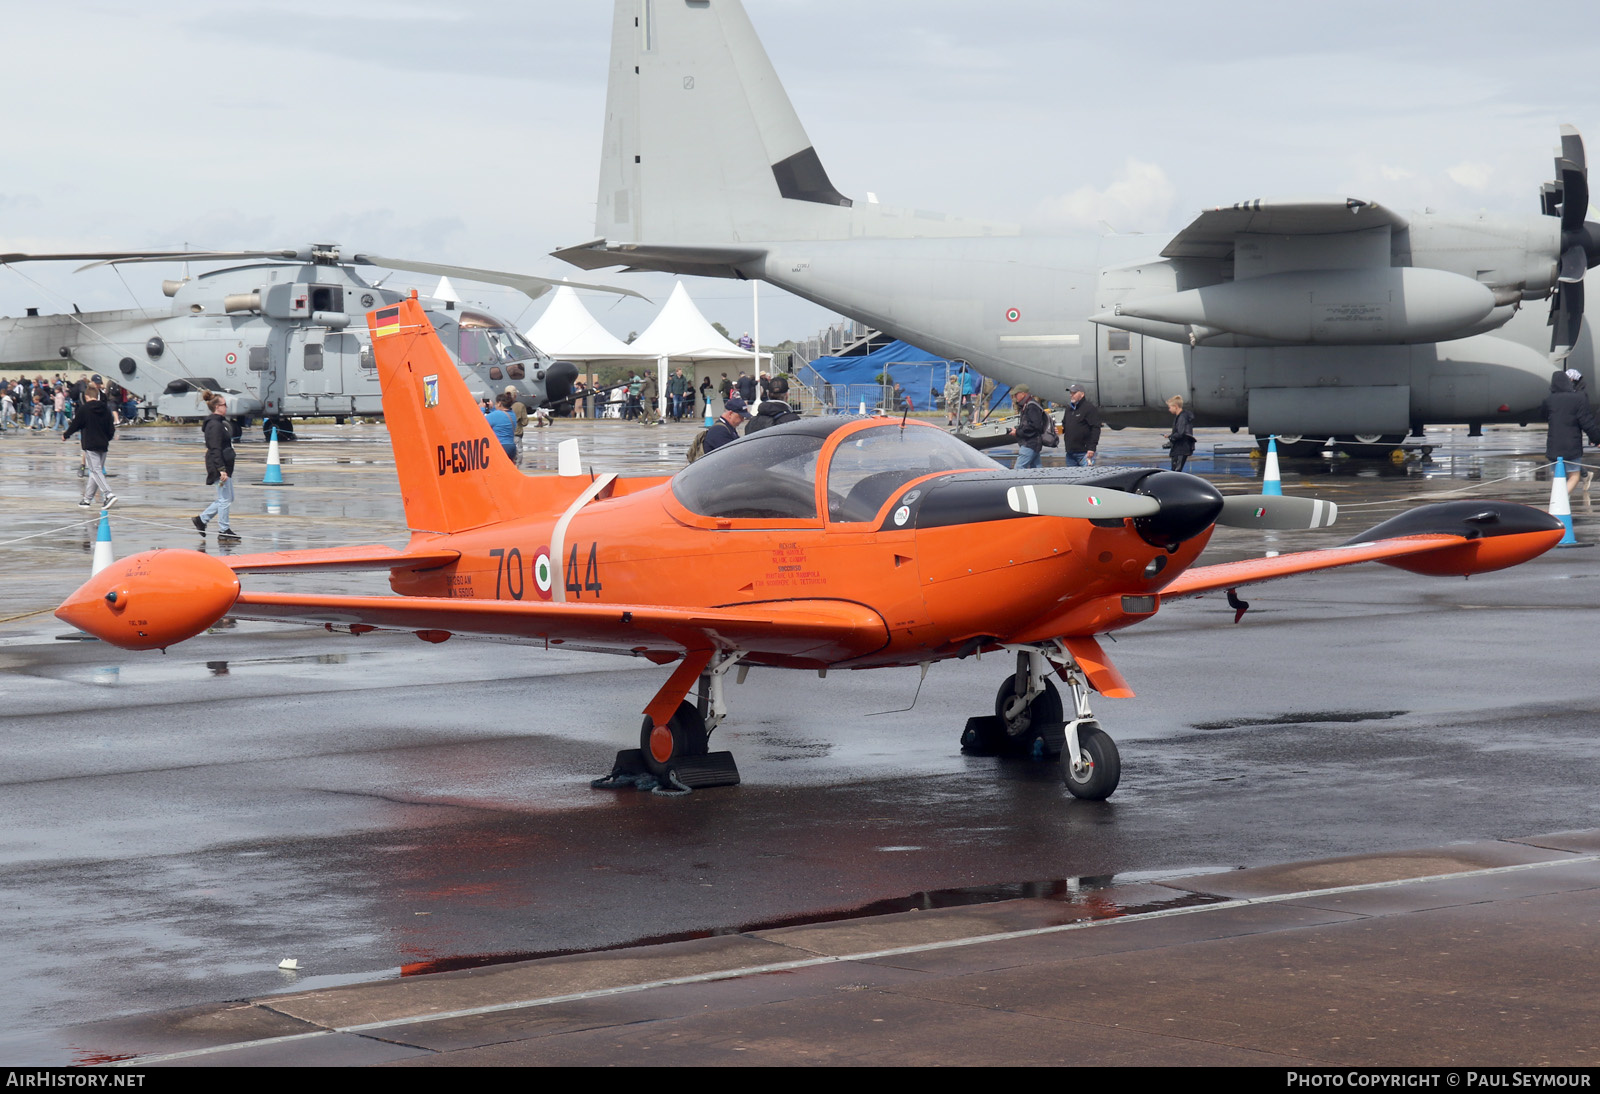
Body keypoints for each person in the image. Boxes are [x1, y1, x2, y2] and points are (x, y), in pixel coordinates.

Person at [1540, 369, 1600, 495]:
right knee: (1574, 476)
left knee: (1558, 477)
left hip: (1553, 445)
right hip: (1572, 446)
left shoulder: (1549, 400)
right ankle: (1559, 501)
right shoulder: (1579, 399)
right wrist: (1597, 439)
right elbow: (1587, 423)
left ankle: (1558, 501)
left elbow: (1543, 416)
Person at [193, 392, 240, 542]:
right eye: (224, 404)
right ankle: (224, 530)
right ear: (217, 406)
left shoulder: (219, 423)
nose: (226, 407)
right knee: (225, 499)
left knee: (227, 498)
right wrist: (221, 469)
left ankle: (202, 519)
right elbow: (215, 448)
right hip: (219, 466)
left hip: (225, 465)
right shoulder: (214, 425)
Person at [63, 381, 116, 509]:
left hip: (91, 444)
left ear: (86, 397)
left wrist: (66, 435)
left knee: (95, 471)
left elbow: (76, 424)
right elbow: (111, 428)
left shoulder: (84, 409)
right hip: (103, 444)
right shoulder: (106, 409)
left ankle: (109, 494)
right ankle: (87, 499)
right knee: (95, 472)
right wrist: (107, 438)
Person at [1060, 383, 1101, 466]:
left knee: (1088, 477)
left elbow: (1095, 428)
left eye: (1074, 393)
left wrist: (1092, 448)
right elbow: (1065, 424)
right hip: (1070, 453)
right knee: (1072, 478)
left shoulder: (1089, 408)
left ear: (1082, 394)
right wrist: (1062, 429)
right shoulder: (1069, 409)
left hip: (1084, 453)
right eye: (1071, 393)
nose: (1072, 395)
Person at [1006, 384, 1047, 469]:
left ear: (1023, 394)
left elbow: (1034, 426)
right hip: (1033, 443)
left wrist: (1017, 432)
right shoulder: (1027, 405)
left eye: (1016, 394)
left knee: (1018, 468)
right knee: (1037, 470)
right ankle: (1041, 481)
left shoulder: (1031, 406)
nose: (1014, 396)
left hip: (1030, 443)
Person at [1165, 395, 1196, 472]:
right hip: (1180, 447)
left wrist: (1171, 437)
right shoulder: (1180, 417)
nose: (1169, 409)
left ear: (1175, 406)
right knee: (1175, 470)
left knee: (1176, 470)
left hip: (1181, 448)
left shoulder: (1182, 417)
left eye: (1170, 407)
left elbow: (1180, 433)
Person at [485, 392, 517, 461]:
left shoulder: (496, 415)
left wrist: (482, 408)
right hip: (511, 446)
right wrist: (493, 408)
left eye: (496, 403)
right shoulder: (512, 414)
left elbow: (480, 423)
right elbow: (499, 416)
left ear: (499, 403)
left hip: (500, 447)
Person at [505, 386, 529, 462]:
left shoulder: (500, 405)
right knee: (518, 456)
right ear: (515, 395)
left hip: (504, 436)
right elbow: (525, 422)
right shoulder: (520, 405)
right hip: (516, 434)